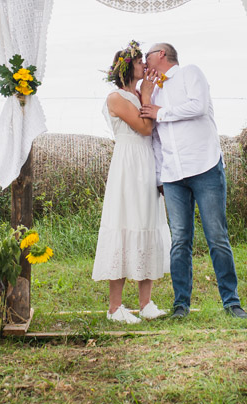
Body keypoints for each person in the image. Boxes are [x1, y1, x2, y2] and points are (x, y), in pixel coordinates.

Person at [139, 43, 247, 319]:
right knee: (180, 241)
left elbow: (197, 107)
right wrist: (159, 177)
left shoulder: (190, 73)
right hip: (173, 175)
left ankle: (231, 302)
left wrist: (159, 112)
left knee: (217, 237)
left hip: (204, 167)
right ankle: (181, 305)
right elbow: (154, 138)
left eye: (147, 55)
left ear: (161, 54)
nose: (144, 60)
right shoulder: (153, 91)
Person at [91, 41, 171, 323]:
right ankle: (115, 308)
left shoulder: (141, 93)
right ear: (127, 68)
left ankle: (146, 303)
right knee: (125, 225)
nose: (145, 66)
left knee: (147, 223)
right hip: (127, 166)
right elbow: (145, 128)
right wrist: (148, 95)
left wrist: (146, 94)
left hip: (146, 164)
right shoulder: (116, 98)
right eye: (140, 62)